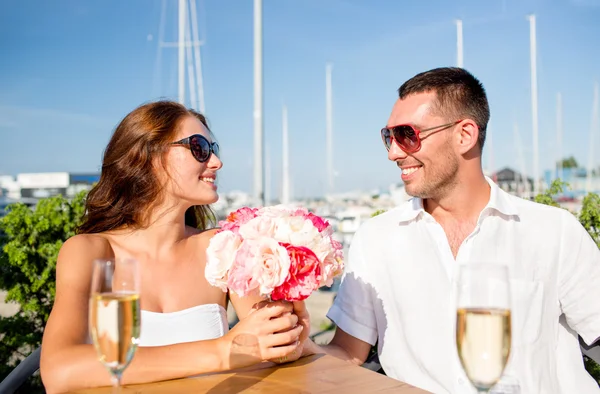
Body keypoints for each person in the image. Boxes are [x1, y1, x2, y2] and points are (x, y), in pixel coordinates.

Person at [301, 67, 600, 393]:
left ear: (465, 135)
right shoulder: (375, 240)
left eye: (407, 135)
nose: (393, 153)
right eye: (389, 137)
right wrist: (300, 342)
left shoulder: (554, 232)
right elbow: (348, 352)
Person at [40, 101, 308, 394]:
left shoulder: (222, 249)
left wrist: (288, 332)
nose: (216, 162)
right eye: (199, 148)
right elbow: (58, 370)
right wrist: (220, 351)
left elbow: (269, 347)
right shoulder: (91, 252)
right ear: (148, 157)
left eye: (213, 149)